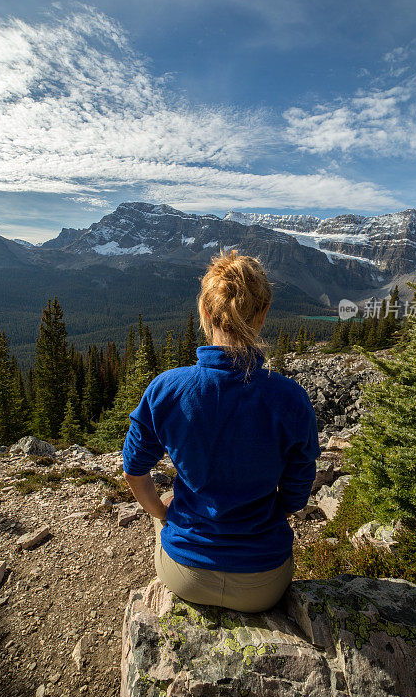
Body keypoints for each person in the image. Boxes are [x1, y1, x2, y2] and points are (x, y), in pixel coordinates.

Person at [122, 248, 320, 613]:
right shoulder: (291, 399)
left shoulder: (167, 389)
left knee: (166, 502)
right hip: (264, 582)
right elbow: (295, 496)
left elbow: (134, 469)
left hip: (185, 576)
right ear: (262, 315)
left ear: (207, 313)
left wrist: (161, 512)